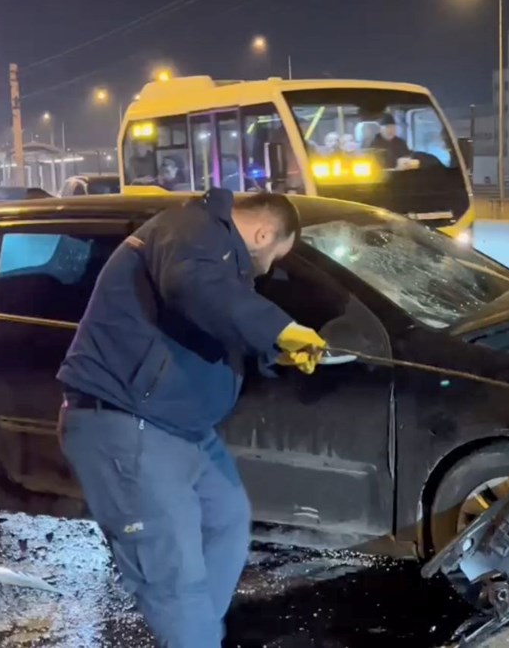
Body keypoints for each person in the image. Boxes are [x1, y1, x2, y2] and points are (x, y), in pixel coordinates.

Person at [57, 188, 326, 647]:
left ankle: (192, 635)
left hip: (181, 429)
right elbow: (196, 290)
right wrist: (277, 327)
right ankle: (191, 634)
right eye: (274, 257)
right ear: (262, 234)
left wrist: (273, 351)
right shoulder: (192, 231)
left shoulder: (212, 250)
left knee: (225, 521)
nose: (269, 269)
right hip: (127, 425)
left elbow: (207, 322)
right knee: (174, 577)